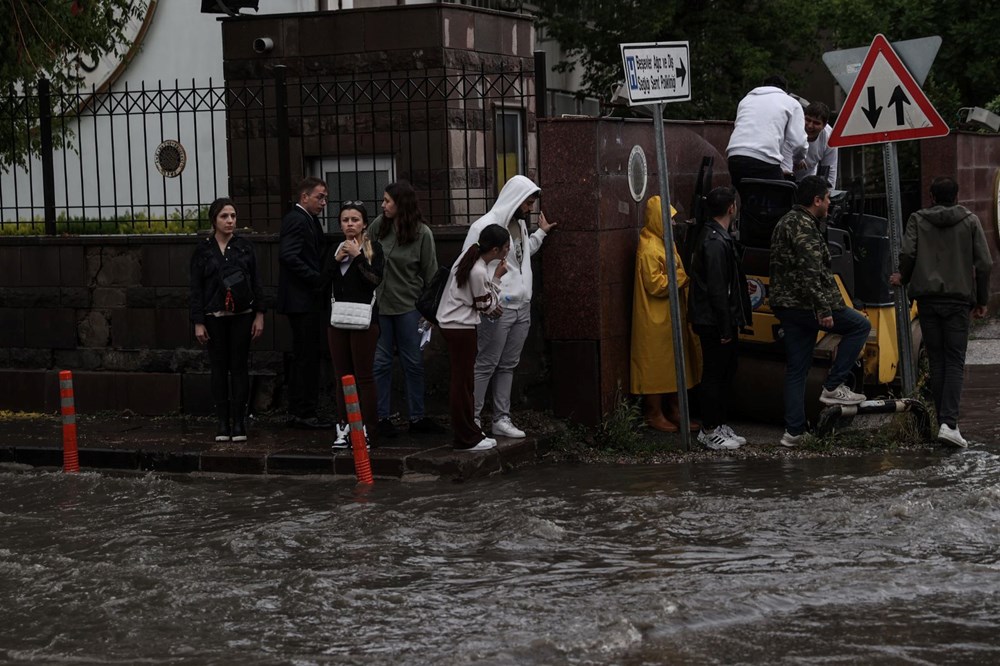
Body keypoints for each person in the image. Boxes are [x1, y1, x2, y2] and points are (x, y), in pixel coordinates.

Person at [890, 177, 993, 447]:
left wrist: (903, 275)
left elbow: (908, 253)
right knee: (955, 360)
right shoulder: (970, 221)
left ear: (932, 196)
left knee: (936, 361)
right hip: (958, 302)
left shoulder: (917, 220)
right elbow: (984, 264)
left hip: (927, 300)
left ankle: (942, 422)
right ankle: (949, 424)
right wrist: (982, 300)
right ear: (956, 196)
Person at [769, 175, 871, 447]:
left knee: (797, 370)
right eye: (826, 198)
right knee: (859, 326)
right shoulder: (803, 226)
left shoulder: (785, 222)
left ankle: (794, 433)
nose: (829, 203)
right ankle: (833, 387)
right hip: (807, 305)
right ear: (816, 201)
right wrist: (823, 309)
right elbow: (812, 271)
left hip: (788, 306)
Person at [461, 175, 556, 438]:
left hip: (521, 306)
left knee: (507, 364)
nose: (529, 208)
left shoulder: (519, 226)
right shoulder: (485, 226)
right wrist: (487, 299)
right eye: (527, 203)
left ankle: (501, 418)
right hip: (497, 308)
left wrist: (540, 233)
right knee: (486, 363)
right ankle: (474, 418)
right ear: (514, 200)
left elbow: (521, 256)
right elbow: (466, 265)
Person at [368, 181, 445, 438]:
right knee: (381, 363)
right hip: (381, 306)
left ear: (401, 204)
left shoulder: (422, 234)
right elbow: (365, 248)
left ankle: (417, 417)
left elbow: (431, 272)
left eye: (387, 201)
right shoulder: (380, 225)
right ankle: (381, 417)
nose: (383, 205)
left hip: (408, 307)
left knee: (412, 362)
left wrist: (430, 313)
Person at [190, 197, 265, 442]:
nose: (230, 221)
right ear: (214, 220)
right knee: (219, 368)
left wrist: (259, 315)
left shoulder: (244, 247)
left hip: (242, 316)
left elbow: (256, 282)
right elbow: (196, 288)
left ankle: (239, 422)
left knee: (239, 367)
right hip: (214, 317)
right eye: (224, 216)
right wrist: (198, 321)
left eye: (233, 216)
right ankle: (222, 421)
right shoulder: (203, 250)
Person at [630, 196, 702, 433]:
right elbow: (656, 284)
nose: (673, 224)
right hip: (654, 318)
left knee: (673, 364)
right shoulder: (650, 247)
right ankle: (654, 413)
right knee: (656, 366)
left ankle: (674, 410)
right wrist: (682, 277)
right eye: (669, 219)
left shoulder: (663, 242)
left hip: (668, 316)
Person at [687, 187, 752, 450]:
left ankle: (718, 423)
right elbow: (716, 288)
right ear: (731, 208)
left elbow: (722, 282)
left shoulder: (717, 237)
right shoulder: (714, 241)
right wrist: (725, 327)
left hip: (717, 318)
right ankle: (709, 428)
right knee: (715, 373)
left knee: (725, 371)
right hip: (714, 320)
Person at [437, 224, 511, 451]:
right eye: (506, 247)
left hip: (454, 324)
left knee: (464, 382)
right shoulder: (478, 270)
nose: (508, 251)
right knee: (463, 383)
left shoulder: (468, 257)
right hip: (460, 327)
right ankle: (466, 437)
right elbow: (486, 305)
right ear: (497, 250)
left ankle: (470, 431)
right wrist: (497, 280)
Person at [324, 201, 384, 449]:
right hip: (337, 319)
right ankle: (343, 426)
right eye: (346, 220)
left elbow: (373, 280)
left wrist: (358, 257)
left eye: (355, 220)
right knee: (342, 377)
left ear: (364, 224)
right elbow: (320, 282)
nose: (350, 224)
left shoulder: (373, 248)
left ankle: (367, 430)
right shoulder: (333, 249)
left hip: (365, 320)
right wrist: (335, 260)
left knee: (364, 376)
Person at [278, 176, 333, 430]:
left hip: (306, 299)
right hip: (301, 300)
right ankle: (303, 412)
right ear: (304, 197)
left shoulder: (308, 220)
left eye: (325, 197)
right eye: (319, 197)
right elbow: (289, 255)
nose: (324, 202)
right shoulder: (297, 220)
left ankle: (303, 410)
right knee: (305, 356)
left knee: (307, 355)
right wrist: (316, 279)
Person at [727, 75, 808, 188]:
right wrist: (798, 159)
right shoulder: (791, 103)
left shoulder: (746, 100)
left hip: (735, 157)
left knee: (747, 199)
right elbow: (799, 142)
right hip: (764, 160)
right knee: (777, 198)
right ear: (785, 90)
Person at [781, 101, 838, 187]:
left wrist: (829, 193)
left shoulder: (829, 137)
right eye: (807, 120)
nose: (810, 126)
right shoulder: (792, 128)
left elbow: (830, 169)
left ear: (824, 125)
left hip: (807, 179)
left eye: (816, 123)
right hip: (783, 175)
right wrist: (797, 159)